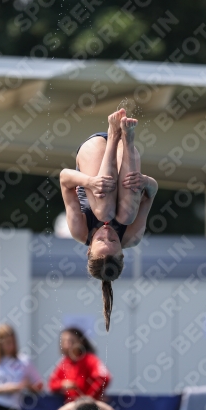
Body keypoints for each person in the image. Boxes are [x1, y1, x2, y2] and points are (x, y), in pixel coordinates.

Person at [60, 108, 158, 330]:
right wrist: (144, 180)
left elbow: (64, 177)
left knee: (104, 213)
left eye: (100, 241)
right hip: (126, 155)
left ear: (88, 250)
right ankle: (127, 138)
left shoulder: (79, 230)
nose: (107, 234)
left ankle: (113, 134)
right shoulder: (132, 236)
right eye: (113, 242)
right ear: (122, 251)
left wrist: (89, 182)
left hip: (93, 150)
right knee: (125, 215)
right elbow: (152, 192)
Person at [49, 328, 111, 403]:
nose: (66, 345)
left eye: (71, 341)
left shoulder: (90, 359)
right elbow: (52, 384)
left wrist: (89, 398)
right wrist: (62, 384)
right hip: (72, 407)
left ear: (81, 342)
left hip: (92, 406)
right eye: (63, 341)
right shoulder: (64, 363)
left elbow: (104, 377)